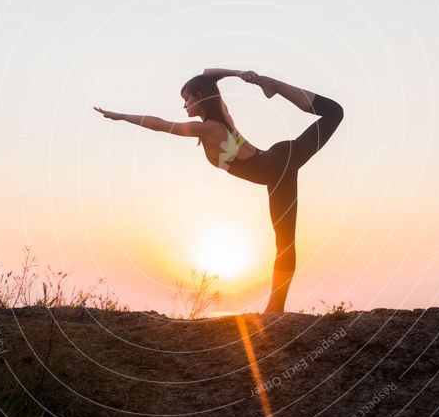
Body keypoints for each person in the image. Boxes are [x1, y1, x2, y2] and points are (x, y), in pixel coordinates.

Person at [93, 68, 343, 313]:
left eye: (187, 98)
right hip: (277, 163)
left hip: (279, 165)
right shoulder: (220, 116)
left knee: (334, 113)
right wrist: (239, 74)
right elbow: (208, 73)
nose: (184, 106)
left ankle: (275, 308)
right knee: (285, 243)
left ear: (200, 97)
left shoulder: (211, 127)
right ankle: (275, 307)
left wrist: (121, 116)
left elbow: (160, 125)